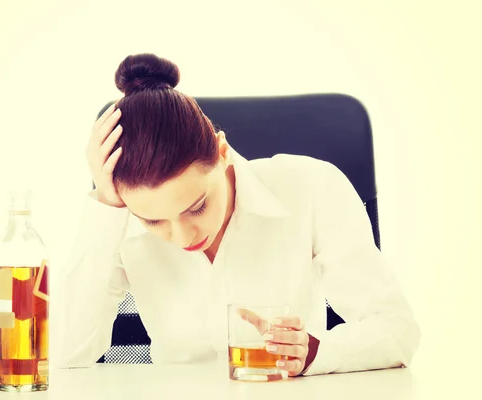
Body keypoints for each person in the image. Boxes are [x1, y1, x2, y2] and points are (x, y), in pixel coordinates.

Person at [53, 53, 420, 377]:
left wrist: (315, 353)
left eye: (196, 206)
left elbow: (396, 330)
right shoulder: (118, 218)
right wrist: (105, 206)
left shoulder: (311, 187)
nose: (183, 238)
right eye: (153, 221)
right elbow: (70, 354)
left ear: (221, 149)